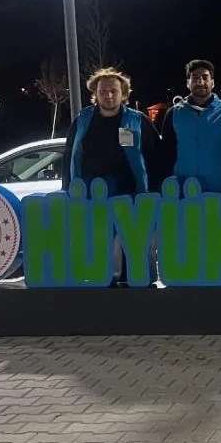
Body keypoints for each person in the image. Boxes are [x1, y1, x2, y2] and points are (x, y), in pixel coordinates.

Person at [61, 67, 160, 286]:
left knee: (132, 244)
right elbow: (69, 155)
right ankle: (100, 277)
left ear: (124, 93)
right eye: (103, 91)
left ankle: (135, 280)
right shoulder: (83, 120)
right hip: (91, 195)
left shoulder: (138, 120)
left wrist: (153, 190)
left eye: (114, 91)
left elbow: (155, 156)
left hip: (130, 194)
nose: (108, 95)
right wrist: (67, 187)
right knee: (97, 240)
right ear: (95, 94)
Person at [157, 59, 221, 195]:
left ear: (213, 83)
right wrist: (164, 186)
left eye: (205, 77)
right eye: (195, 77)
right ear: (188, 83)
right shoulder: (174, 114)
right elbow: (167, 154)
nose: (200, 82)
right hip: (182, 191)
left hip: (219, 191)